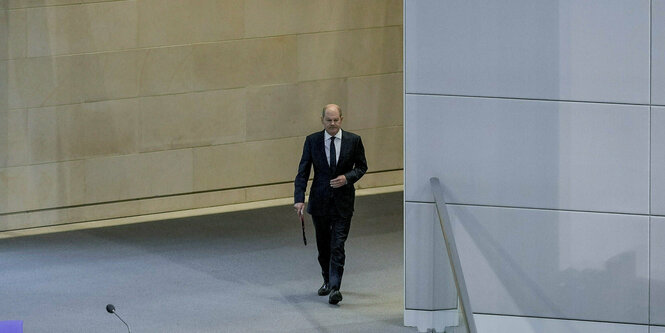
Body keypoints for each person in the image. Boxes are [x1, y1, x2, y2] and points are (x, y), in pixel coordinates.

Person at [294, 104, 368, 305]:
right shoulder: (312, 141)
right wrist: (299, 198)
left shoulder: (354, 140)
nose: (332, 124)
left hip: (343, 203)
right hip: (320, 202)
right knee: (324, 246)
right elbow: (303, 172)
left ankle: (335, 288)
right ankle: (326, 279)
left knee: (338, 246)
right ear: (322, 120)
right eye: (329, 120)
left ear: (341, 119)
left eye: (336, 120)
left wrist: (347, 177)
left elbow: (362, 166)